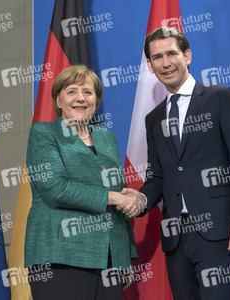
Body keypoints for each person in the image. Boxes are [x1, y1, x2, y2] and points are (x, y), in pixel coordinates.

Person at [121, 27, 230, 300]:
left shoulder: (221, 97)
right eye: (157, 57)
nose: (165, 63)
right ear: (149, 65)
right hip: (176, 239)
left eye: (172, 53)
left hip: (218, 233)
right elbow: (158, 177)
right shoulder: (153, 118)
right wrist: (140, 199)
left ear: (187, 56)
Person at [23, 65, 141, 300]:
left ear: (96, 100)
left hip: (109, 260)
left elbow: (117, 198)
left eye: (88, 92)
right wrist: (115, 197)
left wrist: (123, 257)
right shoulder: (44, 133)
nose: (81, 98)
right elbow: (55, 188)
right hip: (60, 256)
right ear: (58, 100)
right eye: (72, 92)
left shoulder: (106, 138)